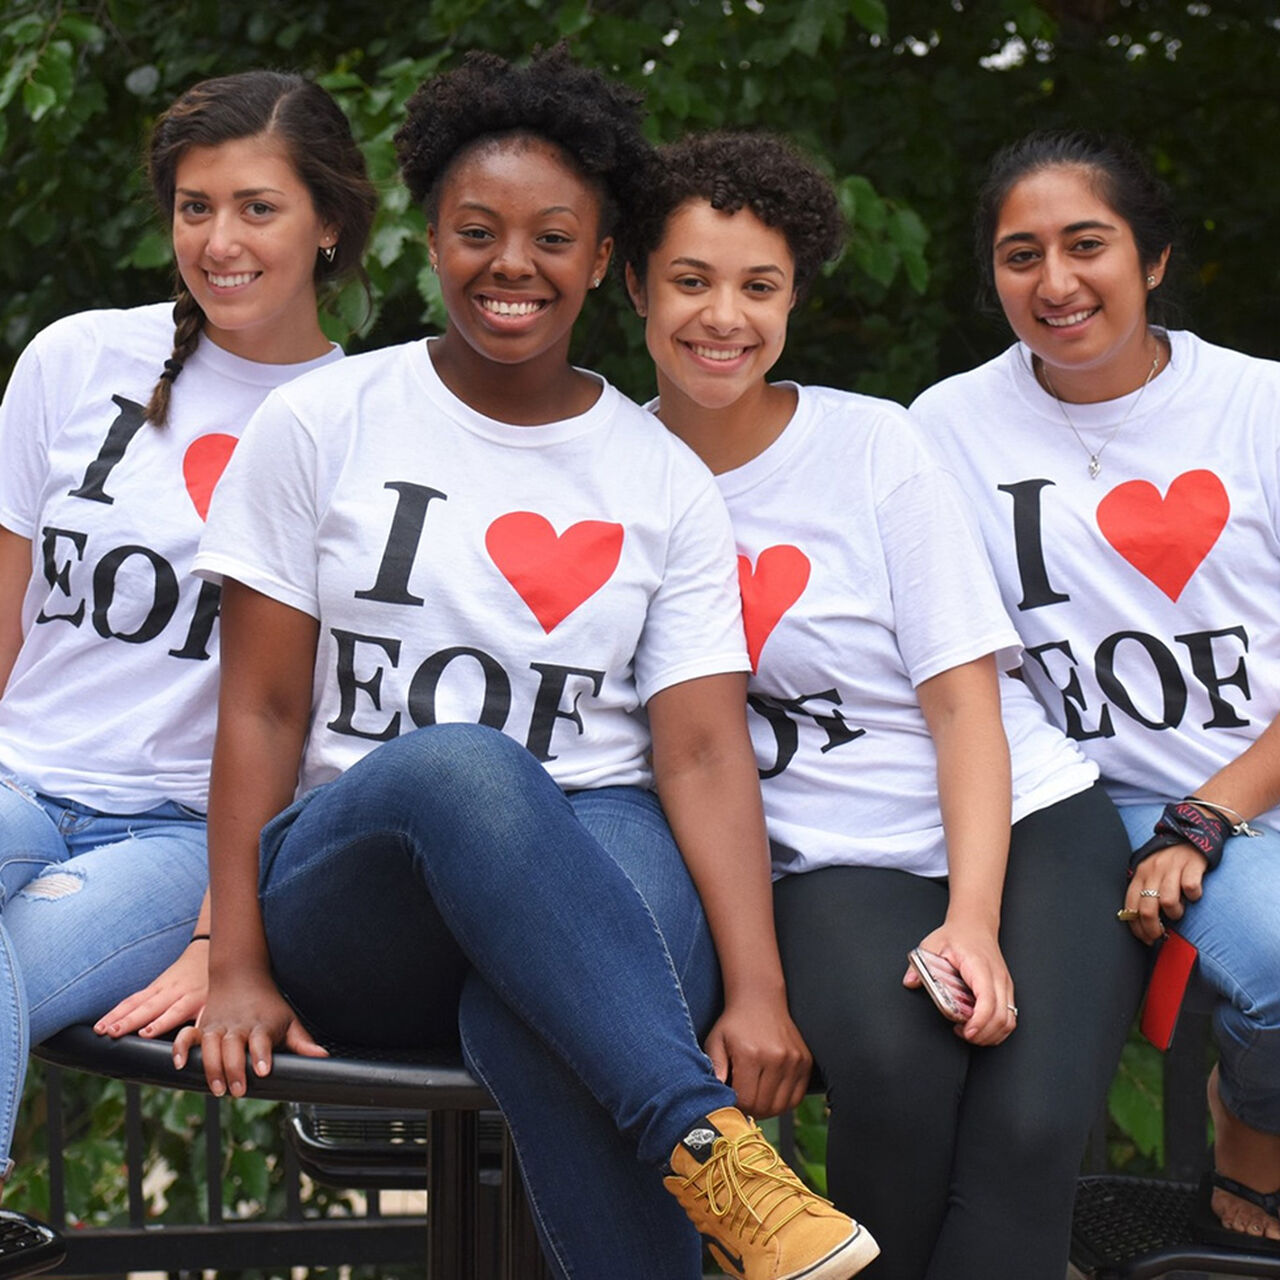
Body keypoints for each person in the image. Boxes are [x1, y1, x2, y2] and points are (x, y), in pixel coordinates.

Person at [178, 49, 878, 1280]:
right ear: (430, 241)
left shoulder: (658, 470)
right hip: (362, 877)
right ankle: (709, 1146)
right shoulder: (325, 423)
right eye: (476, 230)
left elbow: (704, 747)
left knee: (547, 987)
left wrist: (757, 986)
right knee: (461, 767)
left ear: (602, 257)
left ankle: (720, 1189)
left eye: (553, 237)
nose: (514, 263)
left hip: (596, 851)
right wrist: (231, 956)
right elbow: (264, 704)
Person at [622, 130, 1145, 1280]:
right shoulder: (611, 470)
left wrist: (970, 915)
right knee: (897, 1086)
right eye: (691, 280)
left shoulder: (872, 443)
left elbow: (966, 705)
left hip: (1021, 819)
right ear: (633, 285)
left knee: (1026, 1132)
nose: (724, 316)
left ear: (795, 295)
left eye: (759, 285)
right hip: (829, 857)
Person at [0, 69, 375, 1202]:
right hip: (20, 780)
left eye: (257, 207)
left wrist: (224, 935)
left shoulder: (361, 425)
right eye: (195, 206)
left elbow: (305, 714)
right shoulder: (75, 360)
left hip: (178, 836)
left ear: (330, 225)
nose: (219, 239)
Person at [912, 128, 1280, 1253]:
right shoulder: (944, 428)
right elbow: (957, 659)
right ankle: (1253, 1144)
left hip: (1248, 778)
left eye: (1086, 245)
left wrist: (1211, 809)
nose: (1055, 281)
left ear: (1152, 259)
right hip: (1087, 791)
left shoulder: (1259, 405)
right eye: (1020, 254)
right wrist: (1175, 821)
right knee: (1274, 969)